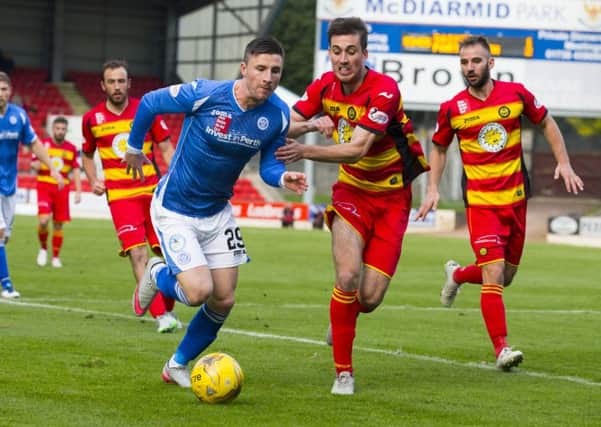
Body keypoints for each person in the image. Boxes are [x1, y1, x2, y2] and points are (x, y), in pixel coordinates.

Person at [125, 36, 307, 388]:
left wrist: (283, 176)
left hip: (217, 212)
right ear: (244, 68)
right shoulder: (207, 93)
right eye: (261, 69)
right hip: (175, 208)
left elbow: (268, 166)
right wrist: (134, 147)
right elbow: (149, 102)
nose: (268, 77)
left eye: (275, 71)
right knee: (197, 292)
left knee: (223, 299)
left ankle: (176, 364)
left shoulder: (278, 115)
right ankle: (157, 272)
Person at [275, 17, 429, 395]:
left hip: (393, 199)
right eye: (337, 51)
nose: (343, 59)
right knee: (347, 278)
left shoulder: (384, 91)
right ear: (330, 53)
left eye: (351, 51)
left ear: (364, 53)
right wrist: (313, 125)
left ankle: (340, 314)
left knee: (370, 298)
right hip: (351, 194)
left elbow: (359, 148)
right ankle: (343, 372)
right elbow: (287, 122)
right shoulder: (324, 86)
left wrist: (306, 149)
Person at [415, 35, 584, 371]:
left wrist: (563, 162)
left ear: (490, 63)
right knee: (493, 273)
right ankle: (502, 349)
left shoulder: (516, 94)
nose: (469, 68)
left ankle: (459, 274)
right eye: (464, 62)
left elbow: (547, 122)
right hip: (481, 204)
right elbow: (438, 147)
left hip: (516, 201)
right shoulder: (453, 108)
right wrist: (432, 187)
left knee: (505, 276)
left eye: (475, 61)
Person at [81, 59, 181, 333]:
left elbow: (166, 147)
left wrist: (175, 178)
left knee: (170, 256)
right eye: (111, 81)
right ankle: (162, 317)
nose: (116, 86)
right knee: (138, 254)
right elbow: (87, 154)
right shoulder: (92, 119)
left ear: (129, 83)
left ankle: (166, 305)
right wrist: (92, 179)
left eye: (121, 81)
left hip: (153, 196)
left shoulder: (146, 110)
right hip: (121, 199)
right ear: (103, 85)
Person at [0, 71, 64, 298]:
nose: (1, 93)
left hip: (8, 185)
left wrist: (53, 169)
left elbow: (35, 145)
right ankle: (7, 285)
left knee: (5, 236)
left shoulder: (19, 116)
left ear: (11, 92)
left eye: (5, 89)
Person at [32, 116, 82, 268]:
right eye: (57, 129)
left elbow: (76, 170)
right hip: (45, 185)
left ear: (66, 131)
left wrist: (78, 190)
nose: (60, 131)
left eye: (63, 129)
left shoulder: (72, 148)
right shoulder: (43, 145)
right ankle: (43, 249)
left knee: (58, 225)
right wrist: (44, 163)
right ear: (52, 129)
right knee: (43, 220)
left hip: (62, 188)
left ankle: (55, 257)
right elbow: (33, 164)